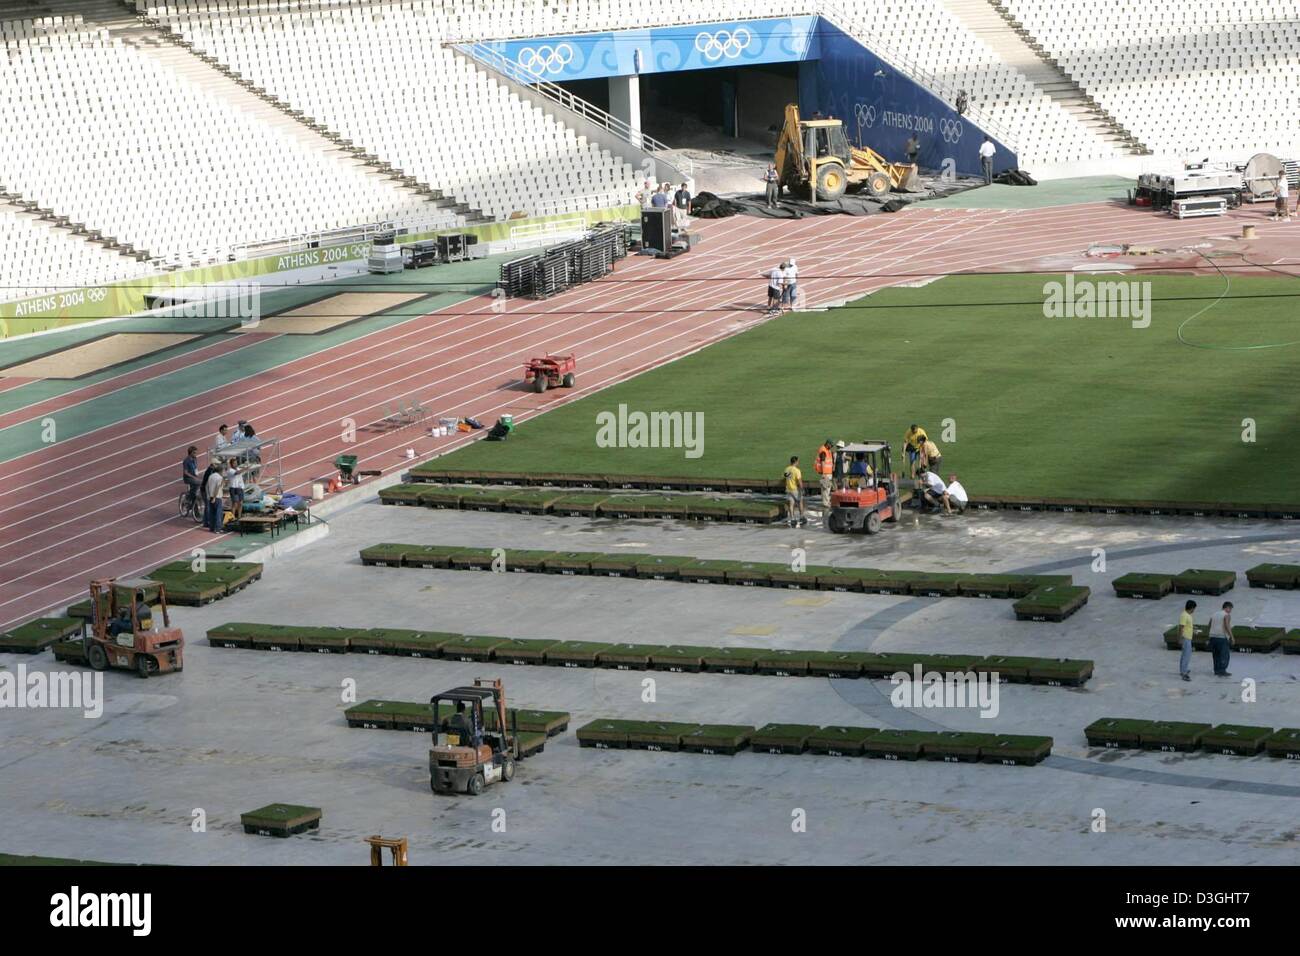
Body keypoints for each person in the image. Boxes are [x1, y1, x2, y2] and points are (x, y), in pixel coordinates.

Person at [1207, 601, 1234, 677]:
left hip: (1213, 637)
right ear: (1227, 607)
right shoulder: (1226, 615)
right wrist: (1232, 637)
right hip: (1221, 638)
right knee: (1224, 655)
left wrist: (1208, 636)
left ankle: (1216, 670)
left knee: (1215, 655)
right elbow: (1227, 626)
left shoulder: (1214, 614)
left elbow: (1209, 625)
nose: (1231, 611)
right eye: (1230, 609)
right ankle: (1222, 670)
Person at [1177, 599, 1197, 681]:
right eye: (1194, 608)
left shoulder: (1188, 615)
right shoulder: (1184, 615)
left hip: (1188, 637)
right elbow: (1181, 627)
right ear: (1191, 608)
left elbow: (1187, 626)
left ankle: (1183, 669)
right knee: (1186, 655)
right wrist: (1180, 638)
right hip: (1185, 638)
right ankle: (1184, 672)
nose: (1194, 610)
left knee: (1185, 655)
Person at [783, 455, 805, 528]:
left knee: (791, 504)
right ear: (795, 462)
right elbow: (799, 481)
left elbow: (785, 478)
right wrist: (802, 489)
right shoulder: (797, 470)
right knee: (800, 502)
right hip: (795, 489)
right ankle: (801, 517)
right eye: (798, 461)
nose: (798, 462)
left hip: (788, 489)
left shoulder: (786, 469)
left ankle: (792, 518)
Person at [203, 460, 225, 533]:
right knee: (218, 513)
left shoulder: (210, 476)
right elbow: (217, 488)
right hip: (217, 497)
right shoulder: (219, 478)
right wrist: (215, 497)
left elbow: (207, 486)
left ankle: (211, 527)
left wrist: (209, 496)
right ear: (220, 471)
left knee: (212, 513)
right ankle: (218, 529)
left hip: (210, 497)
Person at [815, 439, 835, 508]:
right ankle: (825, 503)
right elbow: (822, 462)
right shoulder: (823, 450)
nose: (832, 446)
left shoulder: (827, 450)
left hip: (828, 473)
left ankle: (827, 502)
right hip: (825, 473)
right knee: (825, 489)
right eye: (831, 445)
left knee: (828, 488)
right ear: (828, 444)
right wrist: (823, 474)